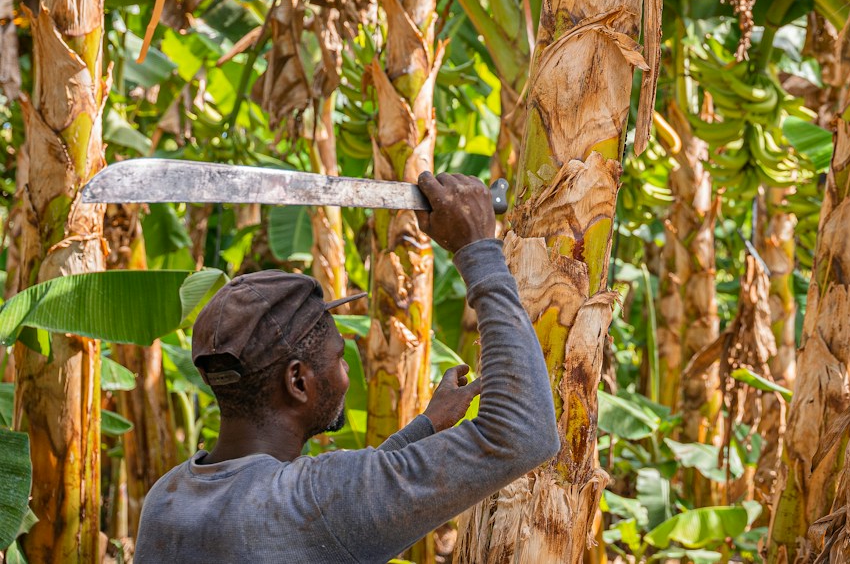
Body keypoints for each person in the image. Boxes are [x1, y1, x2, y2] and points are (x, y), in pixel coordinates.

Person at [135, 173, 559, 563]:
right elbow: (523, 434)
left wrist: (425, 426)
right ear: (298, 381)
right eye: (339, 357)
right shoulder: (311, 500)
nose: (346, 371)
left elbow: (341, 509)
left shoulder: (168, 498)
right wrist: (478, 250)